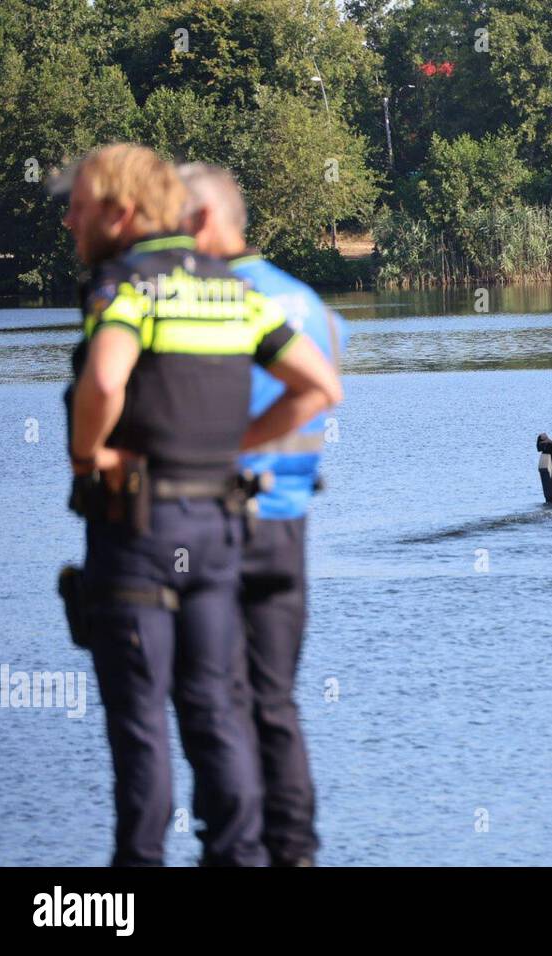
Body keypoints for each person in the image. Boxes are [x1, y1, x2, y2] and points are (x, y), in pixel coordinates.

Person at [61, 143, 342, 866]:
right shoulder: (235, 291)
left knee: (141, 722)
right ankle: (251, 856)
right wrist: (235, 447)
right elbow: (319, 387)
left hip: (139, 529)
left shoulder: (126, 287)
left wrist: (90, 454)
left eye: (80, 207)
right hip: (225, 527)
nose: (68, 220)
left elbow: (102, 382)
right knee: (220, 709)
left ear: (121, 212)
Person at [179, 163, 346, 866]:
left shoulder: (210, 299)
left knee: (213, 703)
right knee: (275, 703)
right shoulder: (314, 305)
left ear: (200, 223)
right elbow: (320, 394)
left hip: (216, 519)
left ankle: (230, 847)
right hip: (289, 523)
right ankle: (296, 850)